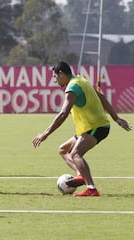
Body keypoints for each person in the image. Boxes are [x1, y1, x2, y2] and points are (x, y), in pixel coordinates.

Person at [32, 61, 132, 197]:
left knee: (75, 154)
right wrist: (116, 118)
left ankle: (91, 189)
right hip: (91, 127)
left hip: (96, 126)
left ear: (61, 74)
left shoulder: (72, 88)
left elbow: (63, 113)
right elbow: (101, 96)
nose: (55, 81)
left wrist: (45, 133)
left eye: (55, 77)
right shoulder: (80, 80)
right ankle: (80, 175)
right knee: (63, 150)